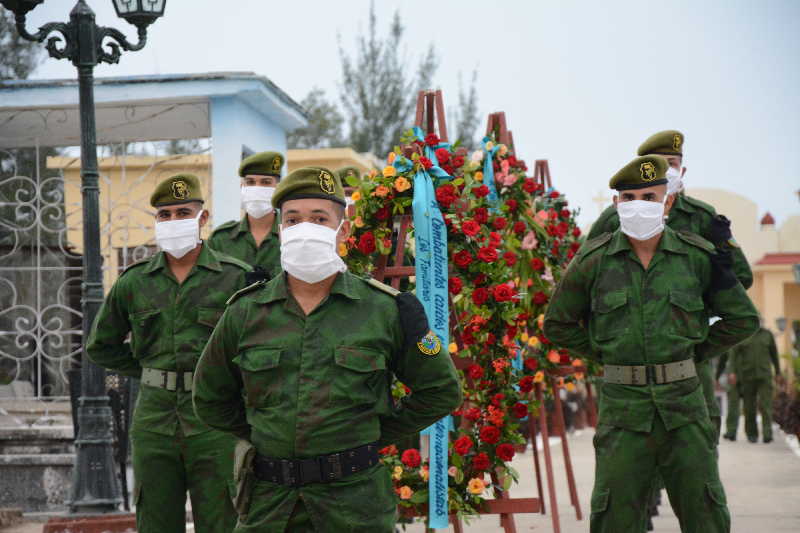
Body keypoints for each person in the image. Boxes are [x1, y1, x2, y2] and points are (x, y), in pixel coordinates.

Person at [192, 166, 462, 532]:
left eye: (319, 219)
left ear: (343, 230)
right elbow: (209, 397)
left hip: (355, 505)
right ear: (280, 229)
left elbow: (440, 391)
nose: (306, 229)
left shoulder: (385, 309)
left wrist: (370, 435)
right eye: (293, 219)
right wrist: (265, 432)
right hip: (269, 507)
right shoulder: (244, 312)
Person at [544, 155, 758, 533]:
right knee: (614, 520)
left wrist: (693, 352)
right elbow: (557, 323)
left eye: (649, 195)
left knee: (705, 515)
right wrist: (607, 352)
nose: (639, 204)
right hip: (623, 413)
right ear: (616, 205)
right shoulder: (593, 262)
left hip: (685, 409)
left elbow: (743, 318)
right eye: (629, 197)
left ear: (668, 201)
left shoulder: (697, 257)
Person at [87, 174, 250, 533]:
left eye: (182, 212)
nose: (174, 221)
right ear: (157, 221)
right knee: (156, 519)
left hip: (215, 418)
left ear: (202, 218)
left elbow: (256, 344)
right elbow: (100, 345)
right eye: (165, 215)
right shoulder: (135, 282)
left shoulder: (235, 278)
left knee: (223, 518)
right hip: (154, 419)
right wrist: (146, 369)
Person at [587, 130, 753, 438]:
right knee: (635, 467)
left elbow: (742, 280)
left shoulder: (702, 218)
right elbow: (585, 277)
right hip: (630, 364)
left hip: (686, 357)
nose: (666, 169)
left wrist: (698, 337)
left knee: (696, 450)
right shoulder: (615, 219)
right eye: (658, 163)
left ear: (682, 170)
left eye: (671, 162)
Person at [208, 151, 285, 281]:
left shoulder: (292, 235)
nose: (257, 188)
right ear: (242, 187)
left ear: (278, 188)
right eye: (250, 182)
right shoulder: (220, 239)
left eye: (265, 182)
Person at [717, 326, 781, 443]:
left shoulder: (767, 335)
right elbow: (733, 354)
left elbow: (774, 354)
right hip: (747, 376)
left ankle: (767, 434)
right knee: (749, 407)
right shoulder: (745, 333)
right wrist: (732, 372)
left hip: (765, 376)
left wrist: (777, 372)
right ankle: (752, 434)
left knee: (765, 405)